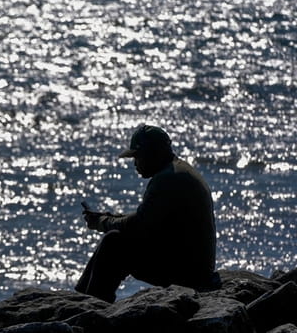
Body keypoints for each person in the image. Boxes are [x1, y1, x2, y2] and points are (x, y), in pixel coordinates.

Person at [75, 124, 218, 303]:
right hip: (194, 267)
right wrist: (112, 217)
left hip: (190, 275)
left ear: (152, 153)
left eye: (137, 157)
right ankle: (81, 300)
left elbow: (139, 226)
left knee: (113, 244)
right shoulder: (178, 171)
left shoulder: (166, 179)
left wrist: (103, 222)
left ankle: (91, 306)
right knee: (115, 238)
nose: (135, 163)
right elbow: (150, 218)